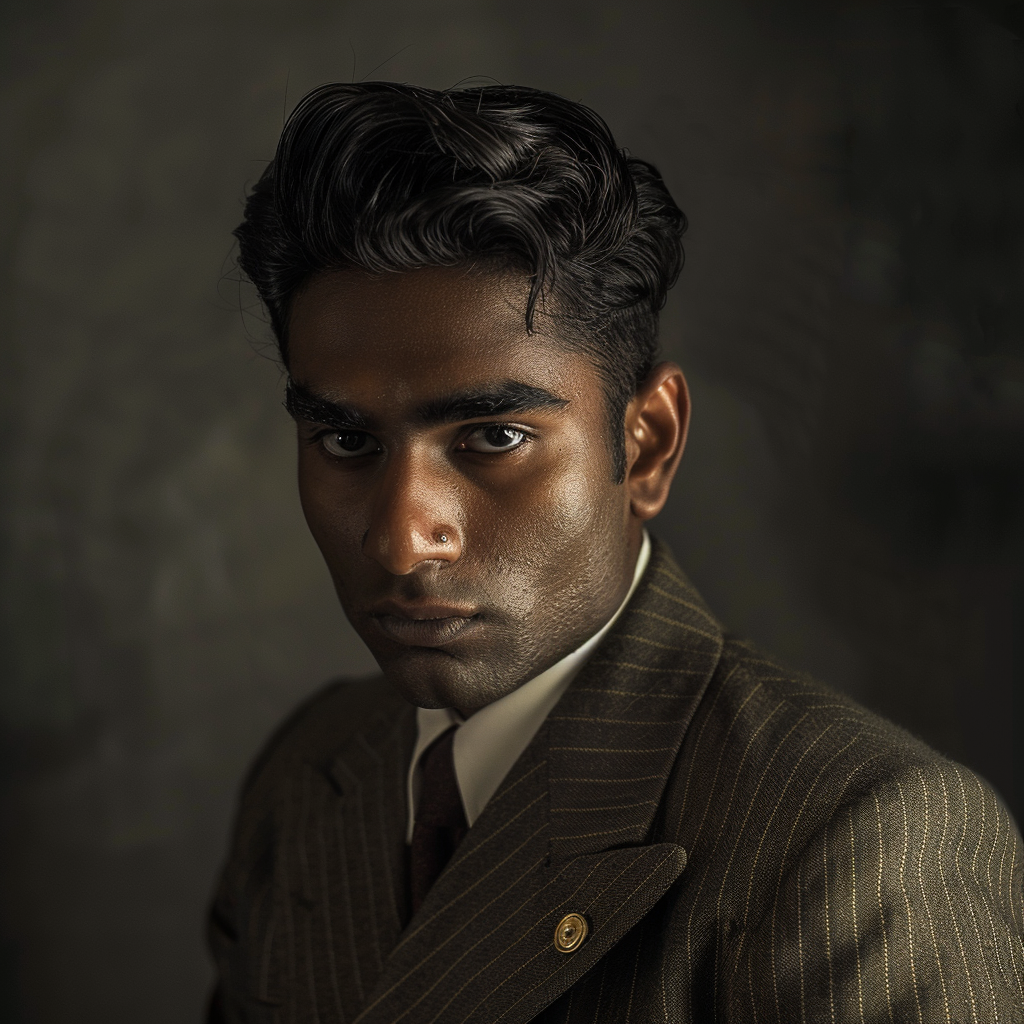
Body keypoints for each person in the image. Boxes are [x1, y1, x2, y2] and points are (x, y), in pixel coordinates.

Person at [207, 82, 1024, 1023]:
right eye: (347, 442)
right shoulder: (310, 773)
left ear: (646, 443)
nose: (401, 537)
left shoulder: (862, 841)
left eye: (495, 437)